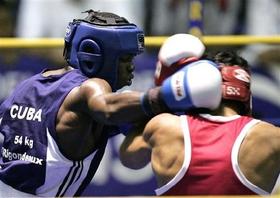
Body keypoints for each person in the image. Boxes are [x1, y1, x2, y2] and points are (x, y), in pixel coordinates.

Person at [0, 11, 223, 197]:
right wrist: (170, 93)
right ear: (93, 54)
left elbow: (129, 125)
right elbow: (106, 107)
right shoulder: (90, 88)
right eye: (125, 59)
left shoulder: (30, 85)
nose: (132, 67)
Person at [119, 36, 280, 195]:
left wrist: (164, 102)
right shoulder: (271, 137)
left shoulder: (164, 127)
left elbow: (129, 160)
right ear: (246, 94)